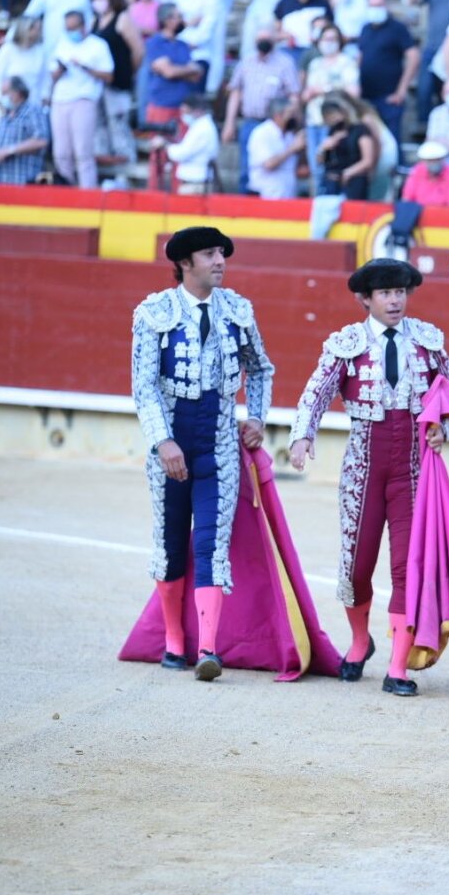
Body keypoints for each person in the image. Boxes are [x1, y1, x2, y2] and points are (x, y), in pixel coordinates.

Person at [289, 259, 449, 697]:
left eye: (401, 291)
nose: (395, 300)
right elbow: (317, 391)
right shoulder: (347, 344)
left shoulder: (426, 342)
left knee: (408, 566)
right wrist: (301, 436)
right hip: (362, 469)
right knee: (357, 564)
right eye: (386, 293)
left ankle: (397, 666)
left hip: (411, 470)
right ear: (365, 299)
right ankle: (359, 640)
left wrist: (444, 428)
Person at [131, 226, 274, 681]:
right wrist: (162, 440)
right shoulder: (154, 312)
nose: (220, 260)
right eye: (209, 254)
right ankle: (175, 641)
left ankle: (209, 647)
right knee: (171, 543)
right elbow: (144, 386)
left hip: (219, 444)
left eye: (221, 253)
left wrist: (256, 417)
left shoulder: (238, 310)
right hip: (171, 445)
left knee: (211, 543)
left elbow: (261, 368)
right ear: (185, 263)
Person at [223, 28, 301, 194]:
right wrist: (229, 123)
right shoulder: (247, 61)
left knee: (274, 167)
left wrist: (291, 121)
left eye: (266, 38)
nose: (263, 42)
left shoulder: (285, 63)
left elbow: (293, 95)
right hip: (250, 121)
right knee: (246, 168)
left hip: (274, 124)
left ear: (274, 40)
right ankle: (244, 207)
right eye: (260, 38)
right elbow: (235, 92)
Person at [50, 11, 114, 190]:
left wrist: (85, 67)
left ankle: (87, 192)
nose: (70, 32)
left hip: (84, 99)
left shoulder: (98, 45)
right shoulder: (62, 43)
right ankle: (65, 189)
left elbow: (108, 75)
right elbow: (52, 75)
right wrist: (61, 69)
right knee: (61, 152)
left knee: (83, 151)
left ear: (83, 26)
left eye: (73, 28)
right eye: (67, 29)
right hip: (60, 99)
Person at [91, 0, 144, 184]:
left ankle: (125, 173)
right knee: (100, 127)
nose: (98, 2)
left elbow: (138, 51)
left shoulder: (123, 19)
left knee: (118, 125)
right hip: (99, 83)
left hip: (119, 82)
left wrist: (128, 72)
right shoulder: (96, 21)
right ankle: (105, 173)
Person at [357, 0, 419, 146]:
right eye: (372, 5)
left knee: (391, 141)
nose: (375, 9)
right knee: (370, 141)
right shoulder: (365, 29)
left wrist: (402, 89)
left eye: (379, 5)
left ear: (386, 6)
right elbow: (361, 57)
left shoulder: (397, 28)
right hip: (366, 96)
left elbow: (413, 56)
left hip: (390, 96)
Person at [302, 24, 360, 190]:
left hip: (336, 123)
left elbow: (353, 92)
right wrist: (309, 93)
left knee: (332, 165)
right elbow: (306, 94)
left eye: (333, 39)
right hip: (314, 120)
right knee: (315, 164)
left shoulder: (346, 62)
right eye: (325, 39)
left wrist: (324, 89)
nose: (329, 43)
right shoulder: (315, 64)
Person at [0, 77, 50, 186]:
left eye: (5, 93)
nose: (3, 97)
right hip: (1, 181)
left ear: (17, 93)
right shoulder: (5, 115)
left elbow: (41, 140)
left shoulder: (33, 111)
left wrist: (10, 150)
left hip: (24, 181)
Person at [143, 4, 204, 126]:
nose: (182, 20)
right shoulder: (155, 43)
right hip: (161, 108)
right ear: (167, 20)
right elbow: (169, 72)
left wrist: (178, 70)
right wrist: (188, 70)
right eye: (179, 17)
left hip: (183, 109)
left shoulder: (183, 45)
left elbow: (196, 75)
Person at [152, 93, 221, 193]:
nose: (183, 116)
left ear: (197, 111)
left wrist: (165, 145)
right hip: (194, 183)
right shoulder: (199, 126)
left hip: (196, 185)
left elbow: (181, 154)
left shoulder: (202, 128)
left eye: (186, 111)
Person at [316, 98, 377, 199]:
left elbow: (368, 160)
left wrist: (348, 172)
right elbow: (319, 161)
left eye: (334, 115)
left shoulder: (360, 130)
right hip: (332, 182)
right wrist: (323, 148)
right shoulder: (332, 132)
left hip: (354, 180)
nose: (333, 119)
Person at [173, 0, 224, 90]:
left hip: (200, 55)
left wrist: (188, 42)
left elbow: (207, 29)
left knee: (193, 100)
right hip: (177, 56)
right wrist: (188, 24)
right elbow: (172, 24)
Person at [247, 97, 305, 199]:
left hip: (288, 197)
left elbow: (300, 169)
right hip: (265, 196)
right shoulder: (262, 133)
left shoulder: (290, 135)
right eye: (290, 114)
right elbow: (269, 164)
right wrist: (292, 149)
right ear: (278, 116)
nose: (294, 117)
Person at [24, 0, 95, 55]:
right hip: (51, 43)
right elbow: (29, 15)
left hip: (80, 46)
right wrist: (12, 36)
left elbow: (92, 18)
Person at [274, 0, 333, 67]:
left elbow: (331, 29)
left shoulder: (323, 3)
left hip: (315, 52)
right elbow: (275, 34)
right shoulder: (284, 3)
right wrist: (285, 36)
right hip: (290, 52)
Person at [402, 140, 449, 207]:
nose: (433, 163)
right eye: (430, 160)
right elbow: (407, 199)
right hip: (418, 213)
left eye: (437, 160)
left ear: (443, 159)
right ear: (423, 161)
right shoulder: (417, 171)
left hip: (445, 214)